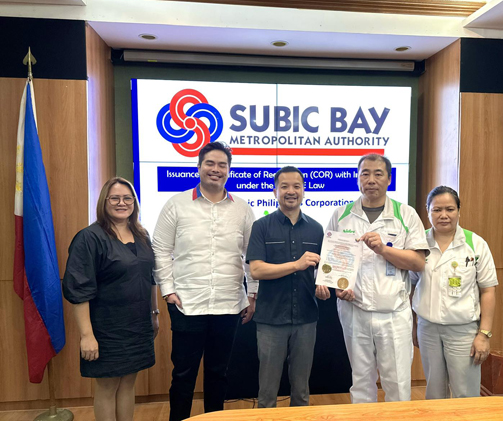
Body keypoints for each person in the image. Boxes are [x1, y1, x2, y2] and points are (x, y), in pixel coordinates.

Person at [153, 141, 257, 420]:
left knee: (218, 373)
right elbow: (161, 249)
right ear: (199, 167)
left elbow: (251, 255)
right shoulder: (176, 204)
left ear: (229, 170)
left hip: (228, 304)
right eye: (210, 163)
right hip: (187, 304)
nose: (216, 169)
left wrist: (253, 294)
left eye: (222, 165)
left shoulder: (243, 209)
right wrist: (168, 291)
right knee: (183, 375)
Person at [316, 153, 428, 403]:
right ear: (357, 179)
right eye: (364, 173)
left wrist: (384, 250)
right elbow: (330, 265)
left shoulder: (406, 215)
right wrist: (337, 287)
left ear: (389, 179)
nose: (371, 179)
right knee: (361, 381)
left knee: (397, 384)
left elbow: (418, 263)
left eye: (378, 174)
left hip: (394, 313)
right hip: (354, 311)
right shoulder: (341, 214)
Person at [63, 177, 158, 421]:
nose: (121, 203)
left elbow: (150, 278)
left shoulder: (142, 234)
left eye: (127, 198)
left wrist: (154, 314)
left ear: (134, 203)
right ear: (104, 202)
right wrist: (87, 336)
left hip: (137, 326)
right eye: (114, 198)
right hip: (106, 329)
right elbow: (79, 289)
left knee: (128, 383)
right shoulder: (89, 237)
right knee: (107, 387)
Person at [246, 166, 324, 408]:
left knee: (301, 392)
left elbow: (323, 269)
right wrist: (296, 265)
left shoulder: (317, 229)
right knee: (267, 393)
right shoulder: (261, 226)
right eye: (285, 186)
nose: (291, 191)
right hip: (270, 318)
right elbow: (256, 270)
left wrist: (323, 284)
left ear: (304, 190)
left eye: (297, 186)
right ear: (274, 191)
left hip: (306, 318)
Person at [410, 186, 497, 399]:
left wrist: (483, 334)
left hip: (463, 331)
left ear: (459, 210)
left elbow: (488, 290)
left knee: (465, 393)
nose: (443, 215)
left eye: (449, 209)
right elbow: (411, 287)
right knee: (434, 392)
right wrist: (414, 326)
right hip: (428, 329)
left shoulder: (475, 244)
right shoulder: (418, 243)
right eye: (437, 209)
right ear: (427, 211)